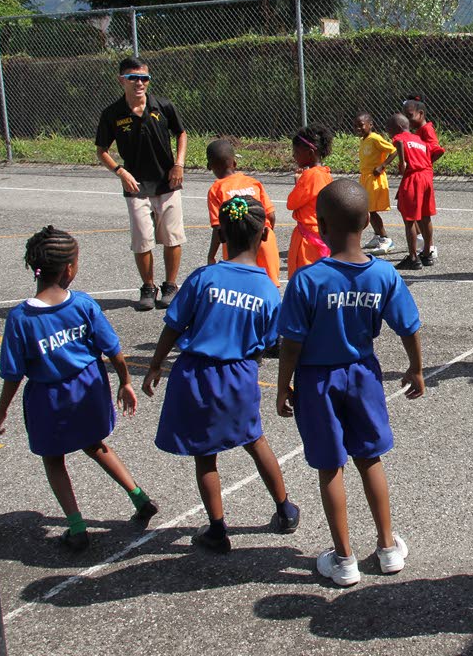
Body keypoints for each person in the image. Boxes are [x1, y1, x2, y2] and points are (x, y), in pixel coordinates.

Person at [276, 179, 425, 587]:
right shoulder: (383, 275)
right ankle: (388, 546)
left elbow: (291, 343)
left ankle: (344, 561)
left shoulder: (307, 280)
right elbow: (409, 326)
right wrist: (415, 368)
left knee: (330, 466)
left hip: (317, 381)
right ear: (366, 224)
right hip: (362, 375)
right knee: (370, 458)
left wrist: (281, 386)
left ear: (321, 225)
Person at [143, 197, 299, 554]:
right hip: (239, 375)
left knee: (205, 454)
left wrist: (155, 364)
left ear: (222, 235)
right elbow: (271, 340)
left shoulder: (204, 277)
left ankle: (217, 529)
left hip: (196, 375)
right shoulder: (266, 290)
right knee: (255, 439)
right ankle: (285, 509)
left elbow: (172, 325)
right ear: (264, 236)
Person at [0, 226, 158, 550]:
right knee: (95, 443)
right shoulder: (82, 304)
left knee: (54, 458)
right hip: (88, 387)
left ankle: (77, 526)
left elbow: (13, 373)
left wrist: (0, 413)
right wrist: (124, 381)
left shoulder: (21, 319)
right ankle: (139, 497)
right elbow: (112, 348)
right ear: (69, 269)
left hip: (48, 396)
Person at [94, 56, 188, 312]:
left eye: (144, 78)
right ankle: (148, 287)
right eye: (133, 78)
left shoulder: (163, 106)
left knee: (172, 236)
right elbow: (101, 149)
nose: (139, 83)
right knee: (142, 238)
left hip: (166, 182)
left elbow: (181, 133)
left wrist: (178, 165)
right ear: (121, 80)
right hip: (136, 186)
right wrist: (120, 172)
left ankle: (170, 285)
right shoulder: (112, 114)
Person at [205, 138, 281, 286]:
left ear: (210, 166)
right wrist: (267, 234)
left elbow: (217, 228)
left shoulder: (216, 190)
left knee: (240, 286)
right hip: (263, 240)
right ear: (235, 163)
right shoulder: (253, 182)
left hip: (236, 247)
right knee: (269, 286)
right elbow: (270, 215)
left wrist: (211, 256)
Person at [388, 113, 442, 270]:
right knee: (425, 216)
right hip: (426, 176)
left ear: (398, 128)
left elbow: (398, 143)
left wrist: (402, 162)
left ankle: (413, 257)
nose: (389, 133)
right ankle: (427, 253)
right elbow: (433, 152)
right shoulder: (419, 139)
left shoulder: (400, 138)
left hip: (414, 177)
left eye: (389, 129)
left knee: (409, 218)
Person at [286, 126, 335, 277]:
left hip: (307, 237)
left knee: (303, 277)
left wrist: (298, 182)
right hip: (322, 233)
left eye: (297, 152)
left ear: (310, 152)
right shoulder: (325, 173)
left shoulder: (310, 176)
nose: (294, 156)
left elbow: (292, 203)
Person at [402, 95, 444, 258]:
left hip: (422, 174)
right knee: (418, 212)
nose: (407, 119)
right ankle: (423, 243)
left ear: (421, 113)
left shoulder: (426, 129)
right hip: (420, 173)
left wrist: (425, 163)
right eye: (405, 115)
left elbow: (437, 149)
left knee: (420, 213)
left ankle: (430, 246)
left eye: (410, 115)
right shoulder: (417, 131)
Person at [355, 113, 398, 255]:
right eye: (356, 125)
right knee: (368, 209)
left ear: (370, 124)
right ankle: (378, 236)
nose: (358, 128)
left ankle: (386, 239)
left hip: (374, 178)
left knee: (372, 210)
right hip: (365, 177)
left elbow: (394, 150)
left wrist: (382, 166)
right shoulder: (364, 139)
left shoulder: (375, 138)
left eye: (361, 125)